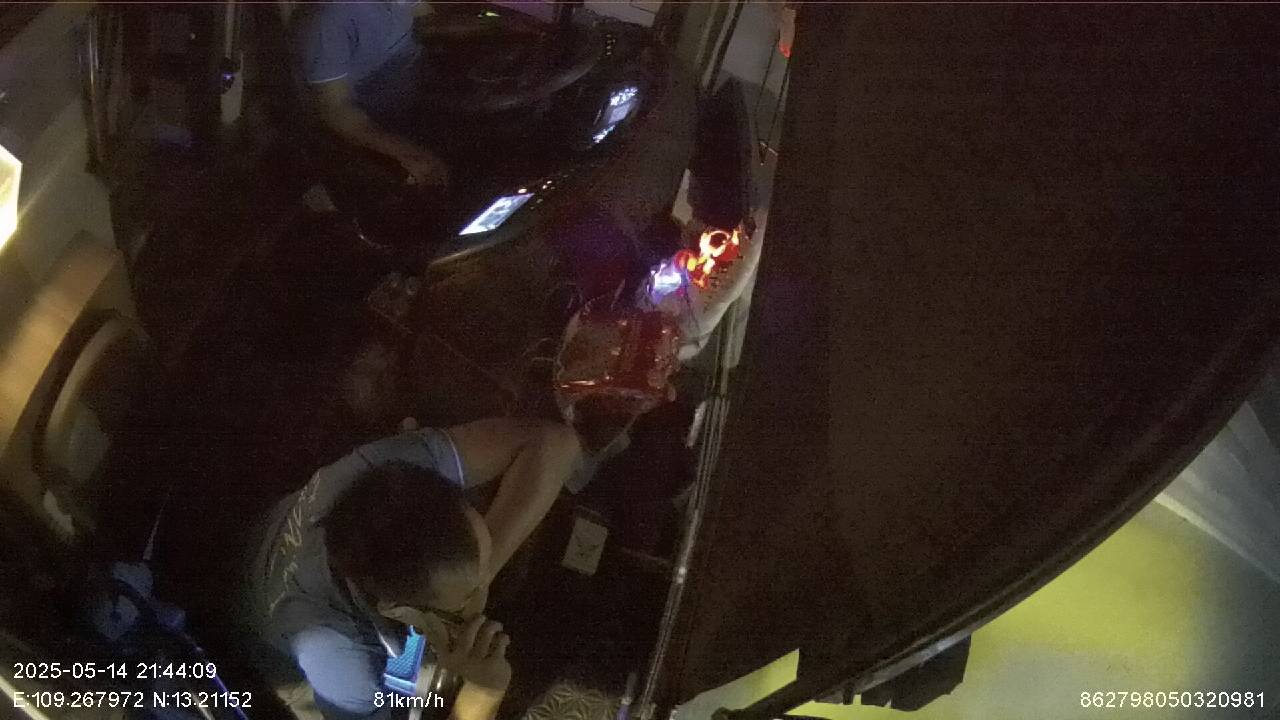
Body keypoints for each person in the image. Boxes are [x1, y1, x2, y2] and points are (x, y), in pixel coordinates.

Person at [249, 418, 583, 720]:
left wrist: (478, 576)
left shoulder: (384, 473)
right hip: (263, 655)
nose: (483, 596)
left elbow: (555, 442)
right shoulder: (339, 660)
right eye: (467, 599)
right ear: (398, 610)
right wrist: (485, 688)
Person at [289, 0, 450, 188]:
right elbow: (335, 107)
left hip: (422, 93)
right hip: (383, 124)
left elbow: (428, 20)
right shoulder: (328, 20)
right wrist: (406, 153)